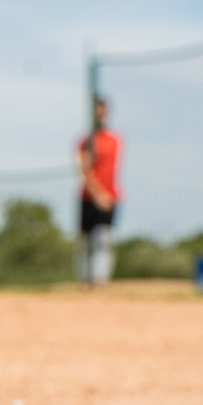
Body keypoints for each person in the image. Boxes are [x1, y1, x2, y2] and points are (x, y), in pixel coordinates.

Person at [77, 96, 122, 287]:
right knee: (86, 242)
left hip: (110, 196)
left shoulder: (115, 140)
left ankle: (100, 280)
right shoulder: (86, 141)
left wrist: (106, 195)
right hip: (88, 196)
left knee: (104, 239)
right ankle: (84, 281)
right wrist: (97, 194)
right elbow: (84, 169)